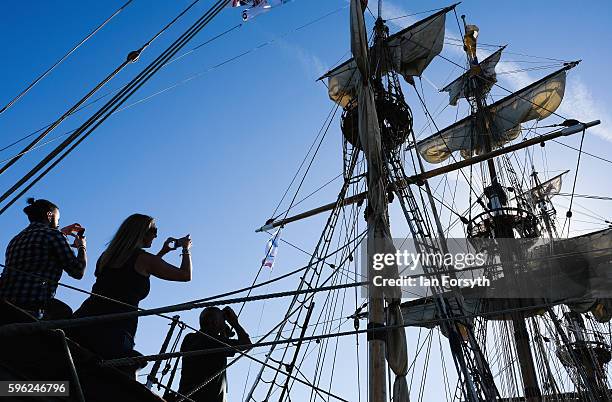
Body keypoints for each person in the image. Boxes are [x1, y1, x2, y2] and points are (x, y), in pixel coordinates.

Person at [70, 213, 192, 364]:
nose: (156, 235)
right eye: (154, 230)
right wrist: (186, 249)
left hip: (84, 320)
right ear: (141, 232)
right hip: (115, 332)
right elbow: (185, 275)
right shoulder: (145, 260)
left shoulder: (106, 256)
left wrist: (162, 252)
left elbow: (130, 274)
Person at [0, 198, 87, 319]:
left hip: (7, 305)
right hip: (34, 308)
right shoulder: (54, 235)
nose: (58, 224)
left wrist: (60, 232)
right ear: (49, 215)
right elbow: (78, 271)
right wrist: (81, 246)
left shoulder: (15, 239)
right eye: (58, 220)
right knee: (65, 313)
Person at [176, 306, 251, 402]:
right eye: (222, 319)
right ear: (213, 322)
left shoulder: (190, 338)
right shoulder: (212, 341)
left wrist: (223, 331)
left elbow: (216, 354)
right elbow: (246, 344)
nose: (224, 322)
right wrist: (235, 323)